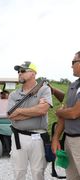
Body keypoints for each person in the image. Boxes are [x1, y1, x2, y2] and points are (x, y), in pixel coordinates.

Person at [7, 61, 52, 180]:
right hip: (18, 137)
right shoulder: (13, 94)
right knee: (18, 172)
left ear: (33, 74)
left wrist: (20, 111)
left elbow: (43, 110)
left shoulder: (44, 90)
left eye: (23, 71)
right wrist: (35, 111)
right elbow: (11, 116)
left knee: (38, 173)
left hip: (38, 137)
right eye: (18, 71)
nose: (19, 74)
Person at [52, 51, 80, 180]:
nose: (71, 66)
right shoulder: (73, 85)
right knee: (72, 176)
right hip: (69, 140)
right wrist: (56, 137)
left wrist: (59, 111)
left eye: (73, 62)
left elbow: (74, 113)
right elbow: (65, 114)